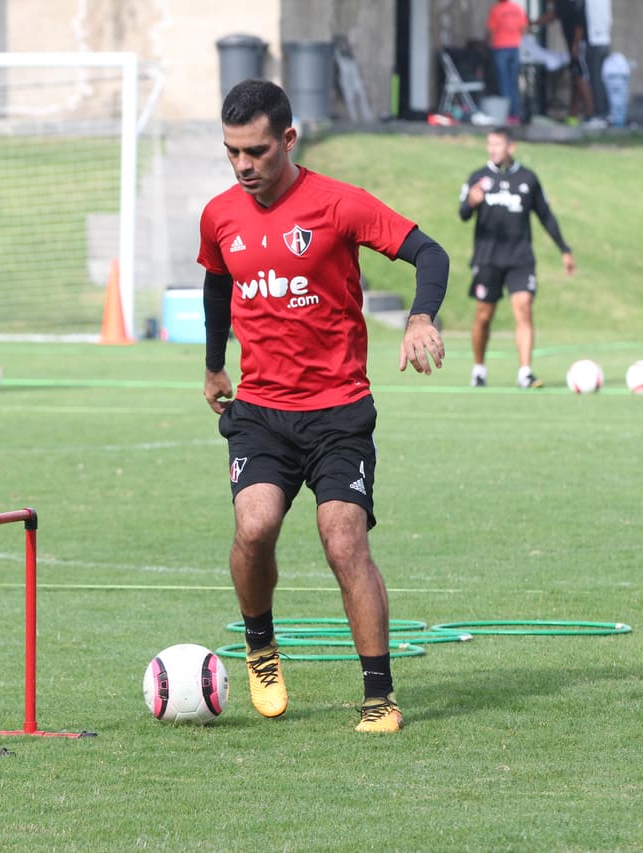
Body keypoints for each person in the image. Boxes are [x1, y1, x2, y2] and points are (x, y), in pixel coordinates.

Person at [197, 79, 449, 733]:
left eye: (256, 150)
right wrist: (212, 363)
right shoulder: (220, 214)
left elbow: (430, 251)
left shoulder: (339, 203)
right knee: (255, 527)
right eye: (232, 153)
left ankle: (380, 695)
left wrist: (422, 315)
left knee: (344, 542)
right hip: (260, 408)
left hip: (339, 409)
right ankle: (260, 648)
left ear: (288, 138)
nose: (245, 166)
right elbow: (217, 282)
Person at [459, 126, 574, 388]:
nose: (493, 149)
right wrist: (471, 202)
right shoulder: (477, 178)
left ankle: (525, 372)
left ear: (511, 147)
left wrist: (564, 249)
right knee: (483, 315)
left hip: (520, 259)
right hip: (487, 258)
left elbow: (546, 216)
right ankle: (479, 369)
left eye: (497, 144)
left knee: (523, 309)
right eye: (489, 144)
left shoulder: (527, 179)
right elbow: (463, 214)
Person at [535, 0, 594, 124]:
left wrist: (575, 45)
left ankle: (591, 113)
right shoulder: (565, 5)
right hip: (574, 46)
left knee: (580, 78)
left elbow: (579, 25)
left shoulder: (566, 3)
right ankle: (573, 114)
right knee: (575, 79)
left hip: (578, 46)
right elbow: (552, 16)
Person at [486, 0, 529, 124]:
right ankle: (515, 114)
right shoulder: (518, 8)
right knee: (513, 83)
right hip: (515, 47)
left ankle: (507, 114)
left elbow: (491, 30)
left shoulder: (496, 9)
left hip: (500, 47)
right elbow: (524, 28)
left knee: (503, 81)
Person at [583, 0, 612, 124]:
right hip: (605, 40)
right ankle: (605, 112)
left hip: (595, 41)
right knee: (600, 78)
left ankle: (600, 113)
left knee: (595, 79)